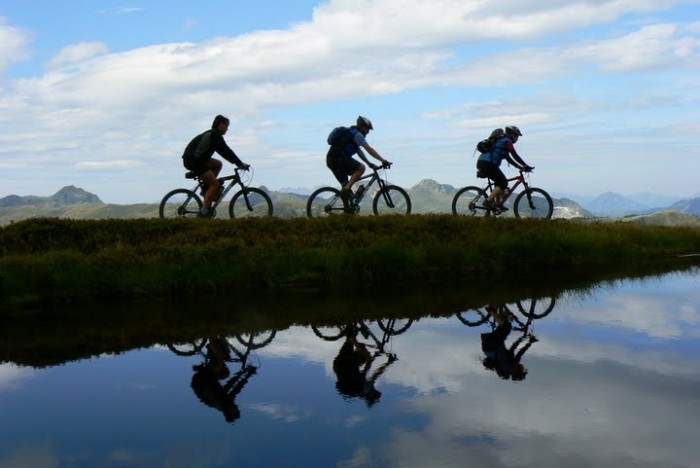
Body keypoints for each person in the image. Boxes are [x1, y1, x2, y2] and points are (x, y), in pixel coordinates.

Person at [182, 115, 250, 217]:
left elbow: (224, 152)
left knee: (218, 164)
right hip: (194, 161)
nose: (227, 129)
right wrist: (240, 163)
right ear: (220, 124)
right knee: (215, 184)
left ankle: (207, 188)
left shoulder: (213, 134)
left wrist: (238, 162)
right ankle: (204, 211)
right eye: (226, 126)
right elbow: (226, 151)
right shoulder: (215, 135)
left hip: (196, 159)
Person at [190, 336, 257, 423]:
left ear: (230, 411)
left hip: (201, 380)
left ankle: (212, 344)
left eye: (236, 410)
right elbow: (237, 387)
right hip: (207, 380)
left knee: (221, 358)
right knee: (225, 373)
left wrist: (245, 373)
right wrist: (247, 374)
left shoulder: (221, 402)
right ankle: (213, 351)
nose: (237, 407)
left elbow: (231, 384)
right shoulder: (226, 403)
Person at [326, 116, 390, 199]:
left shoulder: (351, 133)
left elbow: (359, 152)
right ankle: (347, 188)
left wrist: (369, 163)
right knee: (361, 168)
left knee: (345, 187)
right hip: (339, 159)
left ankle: (348, 209)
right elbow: (370, 150)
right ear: (363, 127)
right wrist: (383, 160)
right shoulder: (357, 135)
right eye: (368, 129)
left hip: (332, 160)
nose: (368, 132)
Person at [332, 324, 396, 407]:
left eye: (375, 391)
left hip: (347, 364)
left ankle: (352, 336)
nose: (375, 389)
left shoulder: (366, 389)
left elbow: (375, 372)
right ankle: (350, 324)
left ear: (372, 393)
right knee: (350, 341)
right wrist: (374, 358)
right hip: (338, 365)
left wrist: (388, 363)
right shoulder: (356, 390)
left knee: (366, 356)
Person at [476, 125, 533, 211]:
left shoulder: (500, 142)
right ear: (512, 135)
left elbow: (509, 159)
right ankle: (487, 201)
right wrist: (525, 166)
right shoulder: (507, 141)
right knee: (503, 183)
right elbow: (515, 155)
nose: (517, 138)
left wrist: (520, 167)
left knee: (499, 182)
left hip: (483, 162)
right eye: (516, 136)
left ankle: (498, 204)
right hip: (488, 164)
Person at [480, 305, 536, 381]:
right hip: (489, 347)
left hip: (493, 345)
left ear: (517, 371)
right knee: (504, 323)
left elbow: (520, 352)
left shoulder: (511, 366)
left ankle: (491, 310)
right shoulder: (509, 366)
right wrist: (523, 339)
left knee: (506, 326)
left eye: (522, 370)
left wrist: (529, 342)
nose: (522, 367)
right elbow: (514, 347)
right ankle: (498, 306)